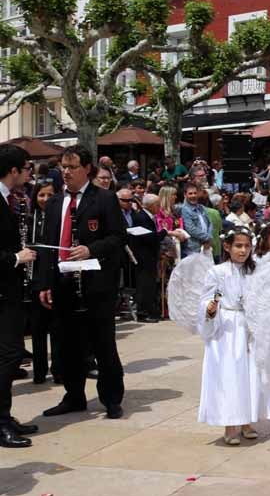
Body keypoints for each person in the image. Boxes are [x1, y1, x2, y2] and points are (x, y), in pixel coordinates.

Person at [38, 145, 127, 420]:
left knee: (103, 344)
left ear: (86, 169)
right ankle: (74, 395)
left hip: (96, 285)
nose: (66, 172)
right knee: (67, 345)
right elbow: (47, 247)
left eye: (72, 167)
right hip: (64, 284)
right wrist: (44, 283)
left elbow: (117, 237)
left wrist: (92, 249)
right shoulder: (55, 202)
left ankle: (111, 398)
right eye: (63, 167)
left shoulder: (104, 198)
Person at [198, 226, 259, 445]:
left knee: (250, 375)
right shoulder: (217, 271)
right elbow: (206, 298)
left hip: (249, 326)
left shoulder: (255, 270)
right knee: (229, 375)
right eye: (238, 246)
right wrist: (211, 308)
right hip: (226, 328)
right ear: (227, 246)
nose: (243, 251)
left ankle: (247, 421)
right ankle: (230, 424)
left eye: (247, 246)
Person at [0, 144, 39, 447]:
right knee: (9, 355)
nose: (29, 174)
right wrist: (16, 258)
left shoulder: (8, 199)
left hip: (9, 290)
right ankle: (0, 422)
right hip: (2, 291)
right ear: (13, 171)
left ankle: (4, 415)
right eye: (26, 168)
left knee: (11, 355)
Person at [27, 180, 58, 383]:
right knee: (38, 329)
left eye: (49, 195)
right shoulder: (30, 219)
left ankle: (59, 370)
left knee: (56, 329)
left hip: (55, 277)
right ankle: (39, 371)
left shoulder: (59, 217)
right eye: (41, 195)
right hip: (35, 278)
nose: (45, 199)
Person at [131, 194, 172, 323]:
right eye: (157, 205)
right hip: (143, 257)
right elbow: (149, 237)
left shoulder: (149, 217)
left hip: (150, 256)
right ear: (151, 205)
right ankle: (142, 312)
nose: (159, 208)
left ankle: (149, 310)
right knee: (144, 285)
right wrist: (164, 231)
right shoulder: (141, 217)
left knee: (149, 285)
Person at [180, 183, 211, 258]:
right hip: (193, 247)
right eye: (190, 193)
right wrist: (207, 238)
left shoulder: (202, 208)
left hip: (205, 245)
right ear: (185, 195)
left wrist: (209, 237)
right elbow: (191, 229)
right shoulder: (184, 210)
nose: (193, 196)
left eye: (195, 193)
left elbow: (209, 223)